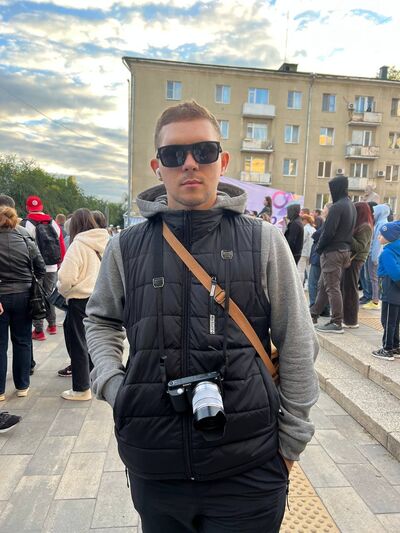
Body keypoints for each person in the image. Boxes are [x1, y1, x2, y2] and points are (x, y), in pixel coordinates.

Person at [85, 100, 319, 533]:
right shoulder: (125, 248)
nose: (190, 163)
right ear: (158, 167)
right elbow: (100, 319)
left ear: (222, 161)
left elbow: (299, 341)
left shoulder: (264, 240)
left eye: (204, 151)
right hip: (155, 467)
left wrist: (290, 444)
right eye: (175, 154)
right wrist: (115, 386)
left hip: (249, 468)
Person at [57, 208, 109, 400]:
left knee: (79, 344)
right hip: (101, 298)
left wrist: (64, 291)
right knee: (97, 341)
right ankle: (97, 379)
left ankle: (81, 389)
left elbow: (66, 278)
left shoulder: (78, 244)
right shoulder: (106, 241)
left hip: (80, 300)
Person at [0, 205, 46, 400]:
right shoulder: (25, 237)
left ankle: (0, 391)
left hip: (1, 296)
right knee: (23, 341)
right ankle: (22, 386)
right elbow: (40, 267)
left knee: (0, 344)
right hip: (25, 295)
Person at [310, 175, 356, 333]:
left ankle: (336, 322)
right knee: (324, 285)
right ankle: (313, 314)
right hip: (344, 251)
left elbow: (328, 232)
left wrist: (318, 248)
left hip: (333, 252)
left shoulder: (337, 207)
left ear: (336, 188)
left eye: (331, 189)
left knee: (332, 287)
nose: (330, 193)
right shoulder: (350, 205)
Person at [21, 196, 66, 340]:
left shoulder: (26, 224)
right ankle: (52, 325)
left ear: (27, 208)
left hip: (34, 267)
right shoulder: (53, 222)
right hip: (52, 266)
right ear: (41, 207)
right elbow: (61, 243)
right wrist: (60, 262)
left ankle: (38, 330)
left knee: (36, 296)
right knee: (48, 294)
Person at [341, 202, 373, 328]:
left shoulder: (365, 227)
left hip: (356, 260)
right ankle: (345, 317)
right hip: (352, 259)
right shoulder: (361, 225)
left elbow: (360, 246)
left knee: (350, 289)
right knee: (347, 288)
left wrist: (347, 235)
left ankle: (351, 321)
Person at [372, 221, 400, 360]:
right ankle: (395, 346)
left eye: (382, 235)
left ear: (390, 237)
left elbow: (395, 273)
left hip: (390, 291)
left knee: (387, 321)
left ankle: (387, 349)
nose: (379, 237)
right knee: (395, 321)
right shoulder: (397, 250)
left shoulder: (387, 252)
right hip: (396, 293)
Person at [362, 204, 390, 311]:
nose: (373, 214)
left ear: (380, 212)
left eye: (375, 211)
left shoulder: (382, 224)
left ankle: (375, 301)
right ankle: (374, 299)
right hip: (374, 255)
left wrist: (374, 258)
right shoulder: (380, 223)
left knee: (374, 279)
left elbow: (378, 243)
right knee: (373, 278)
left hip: (375, 256)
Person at [297, 214, 315, 288]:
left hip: (303, 252)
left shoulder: (305, 229)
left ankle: (300, 285)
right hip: (311, 252)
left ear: (305, 220)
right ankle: (308, 285)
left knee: (301, 270)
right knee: (309, 270)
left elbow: (302, 240)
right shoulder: (313, 229)